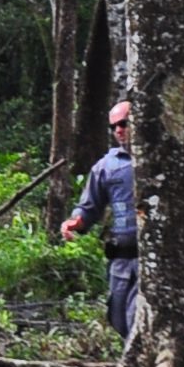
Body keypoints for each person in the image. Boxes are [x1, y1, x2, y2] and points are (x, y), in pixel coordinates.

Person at [59, 100, 141, 334]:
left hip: (150, 258)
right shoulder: (107, 166)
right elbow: (89, 207)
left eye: (124, 123)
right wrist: (75, 222)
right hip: (121, 258)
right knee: (118, 317)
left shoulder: (161, 159)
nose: (119, 130)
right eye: (114, 126)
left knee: (136, 317)